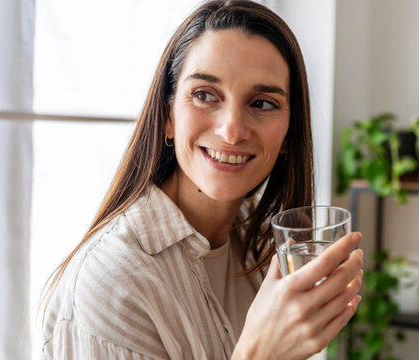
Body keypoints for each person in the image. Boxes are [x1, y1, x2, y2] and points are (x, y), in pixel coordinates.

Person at [40, 1, 364, 359]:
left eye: (263, 103)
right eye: (205, 95)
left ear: (289, 135)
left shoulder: (259, 246)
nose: (232, 131)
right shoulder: (113, 281)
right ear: (168, 116)